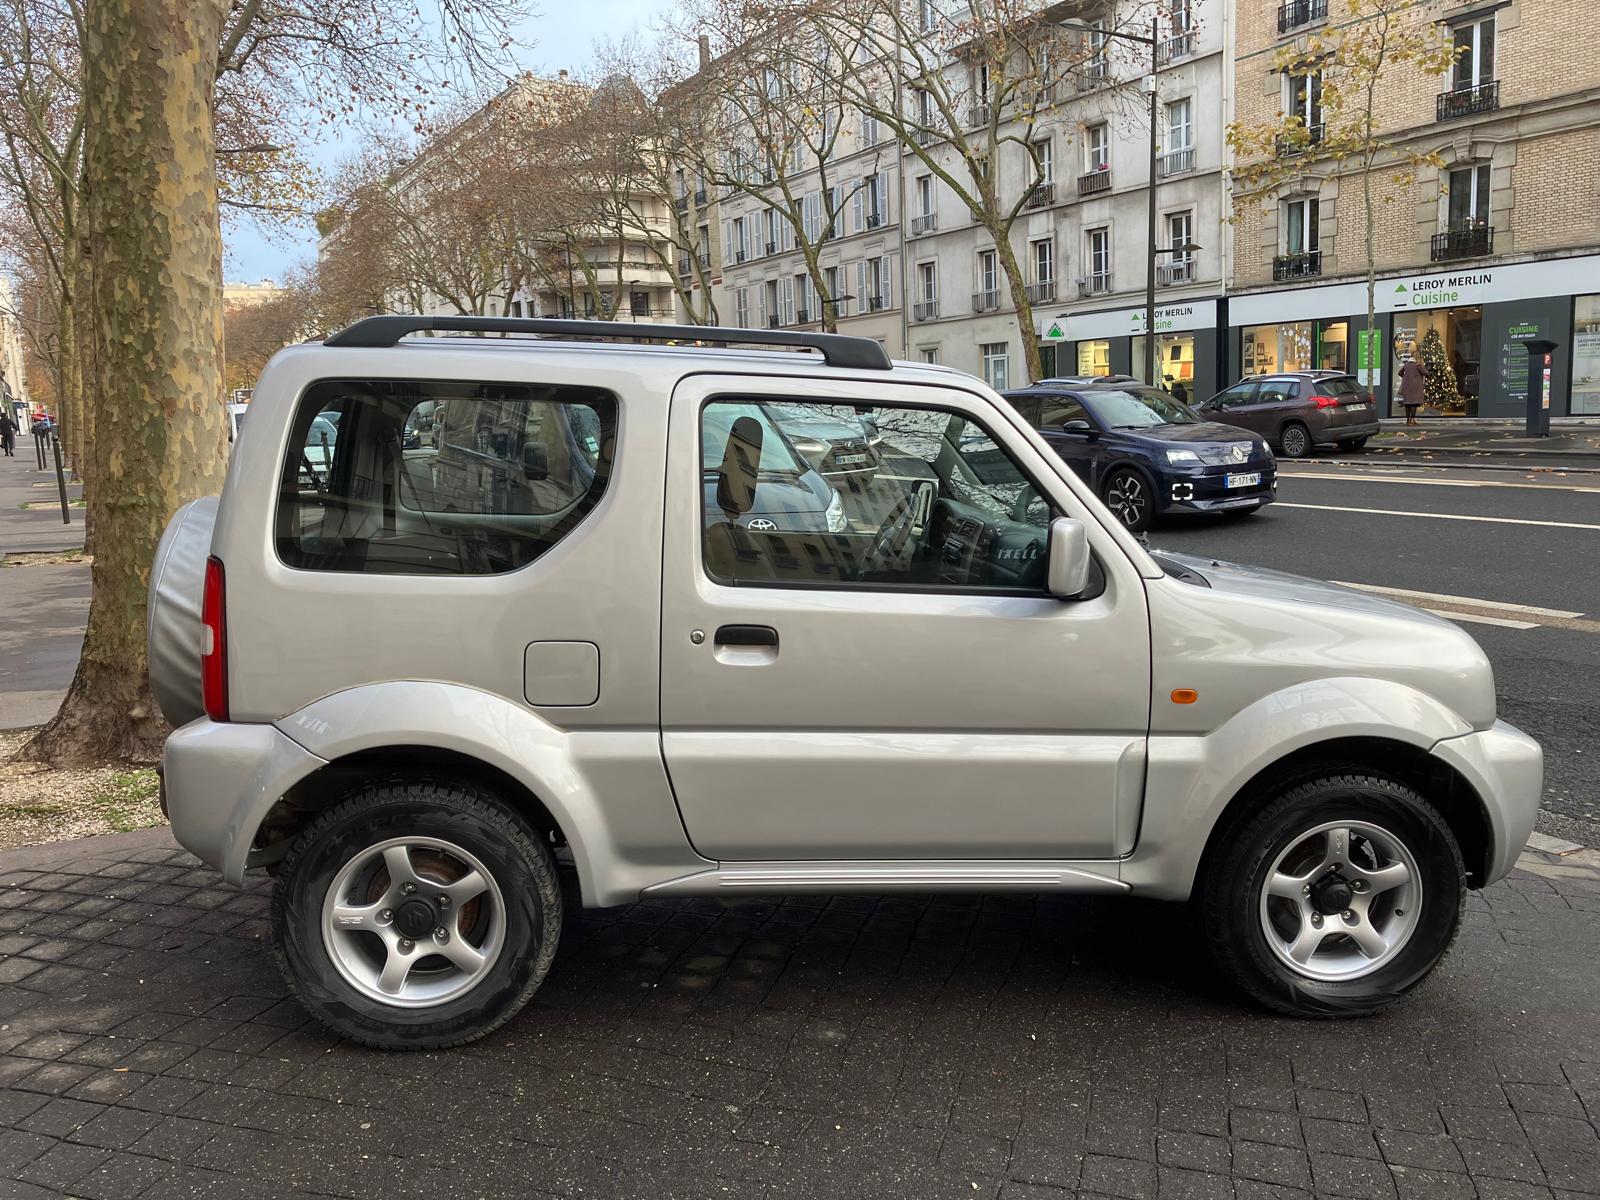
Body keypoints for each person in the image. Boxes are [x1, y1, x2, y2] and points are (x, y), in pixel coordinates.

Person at [1398, 357, 1427, 425]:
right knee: (1414, 403)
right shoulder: (1417, 365)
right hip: (1415, 387)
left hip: (1406, 386)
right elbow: (1425, 373)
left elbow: (1399, 373)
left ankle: (1408, 420)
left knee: (1407, 403)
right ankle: (1413, 419)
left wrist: (1406, 377)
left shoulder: (1406, 364)